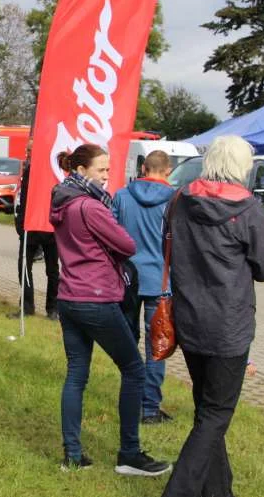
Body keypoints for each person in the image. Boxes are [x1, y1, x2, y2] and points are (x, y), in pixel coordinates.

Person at [161, 136, 264, 497]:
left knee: (207, 412)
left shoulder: (180, 199)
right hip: (228, 324)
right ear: (243, 166)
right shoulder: (247, 208)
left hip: (189, 317)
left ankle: (219, 491)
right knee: (215, 416)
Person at [50, 143, 171, 476]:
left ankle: (73, 455)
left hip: (69, 296)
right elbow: (127, 244)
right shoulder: (90, 207)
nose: (107, 176)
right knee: (134, 369)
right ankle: (129, 454)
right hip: (97, 298)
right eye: (102, 170)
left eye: (108, 169)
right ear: (81, 170)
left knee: (76, 374)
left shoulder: (62, 200)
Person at [111, 150, 176, 424]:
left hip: (126, 279)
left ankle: (130, 399)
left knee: (128, 343)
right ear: (167, 170)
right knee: (157, 346)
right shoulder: (175, 200)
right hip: (160, 282)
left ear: (143, 168)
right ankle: (150, 408)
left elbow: (110, 235)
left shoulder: (122, 196)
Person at [10, 140, 59, 320]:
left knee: (52, 270)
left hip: (50, 227)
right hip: (30, 227)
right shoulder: (28, 170)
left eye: (30, 150)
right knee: (24, 266)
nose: (27, 152)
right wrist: (20, 223)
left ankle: (53, 308)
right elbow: (23, 199)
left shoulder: (53, 171)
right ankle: (27, 306)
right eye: (27, 149)